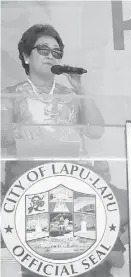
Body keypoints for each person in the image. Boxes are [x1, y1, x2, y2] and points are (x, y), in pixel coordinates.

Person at [1, 24, 104, 190]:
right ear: (26, 56)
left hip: (70, 180)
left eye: (56, 52)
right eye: (43, 50)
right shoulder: (10, 94)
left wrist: (80, 89)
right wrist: (16, 131)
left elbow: (96, 131)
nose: (50, 56)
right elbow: (2, 136)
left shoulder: (71, 96)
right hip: (26, 183)